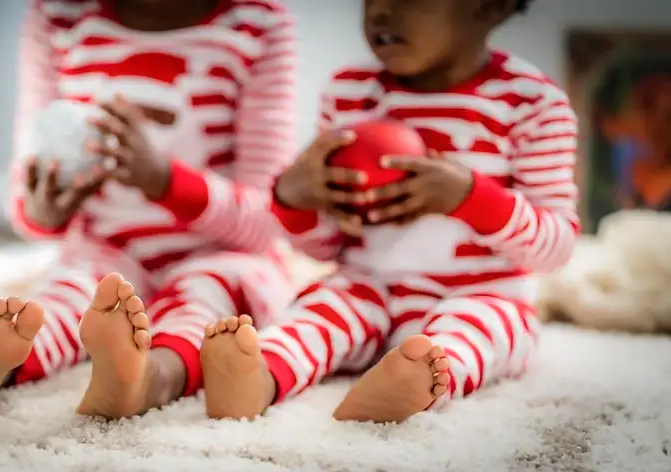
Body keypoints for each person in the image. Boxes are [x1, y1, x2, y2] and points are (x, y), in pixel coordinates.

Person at [199, 0, 580, 423]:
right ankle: (258, 375)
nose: (380, 11)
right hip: (369, 287)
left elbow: (557, 246)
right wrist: (294, 201)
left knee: (485, 330)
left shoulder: (532, 103)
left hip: (480, 292)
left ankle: (417, 381)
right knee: (318, 310)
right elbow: (325, 248)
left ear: (490, 7)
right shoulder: (350, 93)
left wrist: (471, 198)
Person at [0, 0, 298, 418]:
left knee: (204, 301)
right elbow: (25, 193)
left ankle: (152, 378)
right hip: (103, 249)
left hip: (220, 253)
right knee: (67, 296)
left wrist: (165, 182)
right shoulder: (57, 16)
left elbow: (268, 222)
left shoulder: (257, 23)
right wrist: (42, 212)